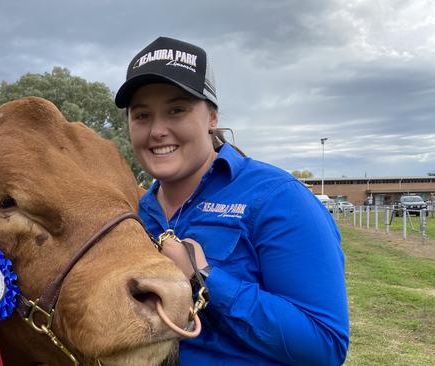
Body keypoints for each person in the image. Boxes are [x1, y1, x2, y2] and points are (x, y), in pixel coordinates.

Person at [115, 36, 349, 365]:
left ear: (212, 117)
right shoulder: (134, 214)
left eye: (176, 110)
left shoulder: (278, 198)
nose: (157, 130)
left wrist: (204, 278)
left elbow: (324, 347)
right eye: (142, 116)